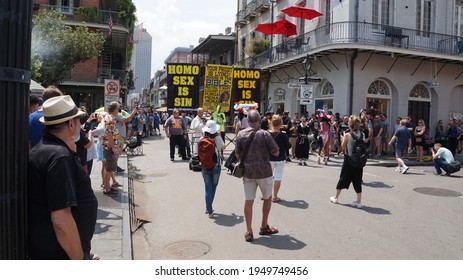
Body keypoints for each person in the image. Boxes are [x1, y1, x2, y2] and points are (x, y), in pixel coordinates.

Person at [28, 95, 98, 259]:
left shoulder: (48, 149)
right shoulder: (59, 157)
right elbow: (61, 220)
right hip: (60, 254)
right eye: (79, 121)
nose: (81, 126)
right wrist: (79, 258)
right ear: (71, 124)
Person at [235, 109, 279, 242]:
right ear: (259, 120)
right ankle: (264, 225)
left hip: (248, 172)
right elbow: (276, 152)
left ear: (247, 121)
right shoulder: (265, 134)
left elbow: (237, 155)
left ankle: (249, 231)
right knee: (267, 198)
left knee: (249, 201)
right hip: (264, 172)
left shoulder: (241, 134)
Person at [329, 114, 366, 209]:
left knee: (343, 178)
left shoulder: (348, 135)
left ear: (351, 124)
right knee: (357, 180)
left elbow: (342, 147)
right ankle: (359, 201)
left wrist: (342, 138)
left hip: (349, 159)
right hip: (359, 160)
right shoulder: (362, 134)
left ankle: (336, 197)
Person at [199, 120, 224, 218]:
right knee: (213, 187)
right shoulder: (217, 138)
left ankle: (209, 209)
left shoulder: (202, 138)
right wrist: (219, 135)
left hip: (204, 165)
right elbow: (223, 147)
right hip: (216, 165)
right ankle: (208, 208)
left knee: (207, 188)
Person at [269, 115, 291, 202]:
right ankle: (275, 196)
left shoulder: (267, 134)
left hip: (269, 158)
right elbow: (288, 146)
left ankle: (265, 195)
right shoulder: (283, 135)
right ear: (281, 124)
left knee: (268, 177)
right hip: (280, 158)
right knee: (278, 177)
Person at [101, 102, 121, 196]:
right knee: (109, 169)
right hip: (110, 148)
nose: (119, 110)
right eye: (118, 108)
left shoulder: (109, 118)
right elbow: (109, 135)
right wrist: (114, 148)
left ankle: (107, 186)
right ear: (114, 109)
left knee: (108, 168)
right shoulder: (109, 119)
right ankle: (107, 188)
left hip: (109, 147)